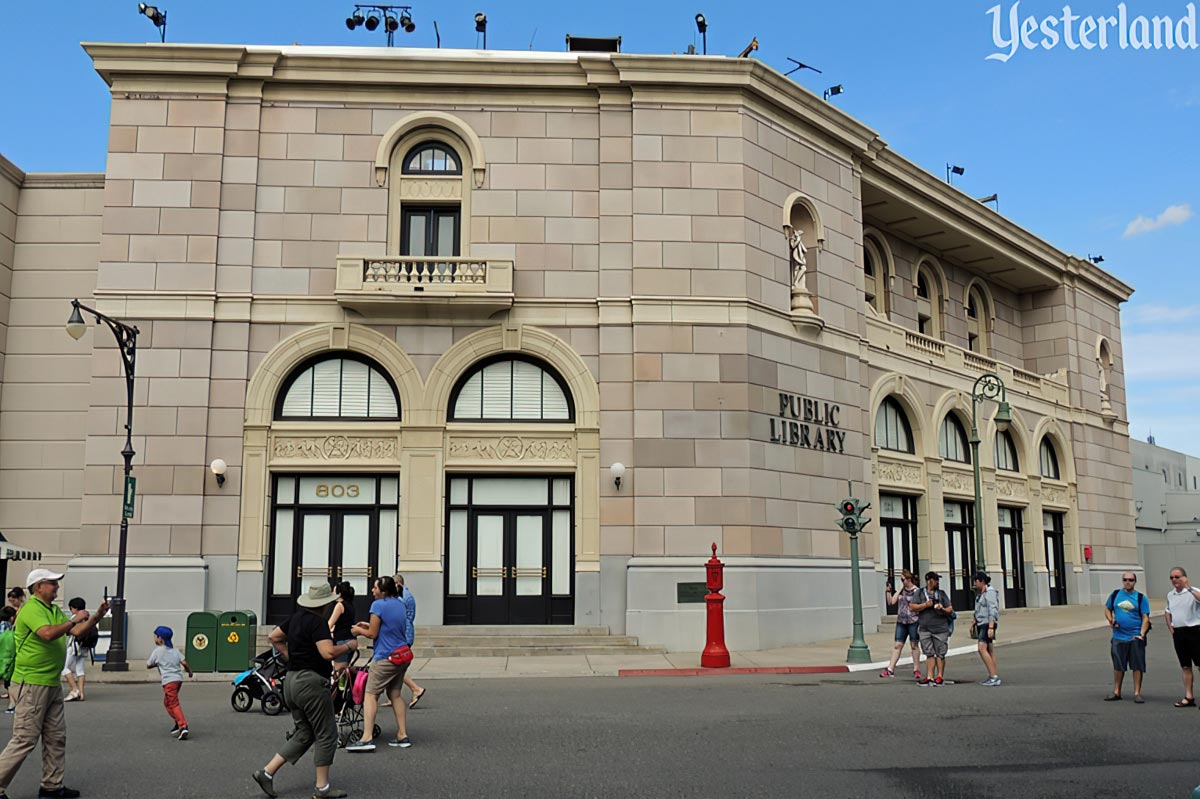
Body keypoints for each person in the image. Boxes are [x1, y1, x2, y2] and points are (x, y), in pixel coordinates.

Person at [0, 568, 109, 799]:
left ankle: (51, 786)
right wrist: (72, 620)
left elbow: (77, 631)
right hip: (31, 683)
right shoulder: (31, 609)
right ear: (38, 586)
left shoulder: (52, 609)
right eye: (52, 583)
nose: (57, 587)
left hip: (50, 682)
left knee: (55, 737)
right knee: (24, 739)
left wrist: (97, 615)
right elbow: (48, 634)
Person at [253, 582, 357, 799]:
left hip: (291, 680)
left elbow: (273, 637)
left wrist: (290, 655)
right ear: (325, 603)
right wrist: (348, 646)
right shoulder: (318, 623)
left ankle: (267, 772)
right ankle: (322, 789)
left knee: (304, 732)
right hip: (311, 682)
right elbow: (328, 652)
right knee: (327, 733)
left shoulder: (295, 618)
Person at [346, 576, 412, 752]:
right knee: (395, 694)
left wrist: (358, 630)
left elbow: (373, 634)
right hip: (402, 653)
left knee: (371, 694)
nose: (372, 591)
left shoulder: (377, 605)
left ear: (383, 591)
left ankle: (367, 737)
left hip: (385, 656)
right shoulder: (399, 603)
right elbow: (390, 626)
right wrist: (368, 624)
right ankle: (402, 735)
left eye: (375, 588)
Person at [1104, 571, 1150, 703]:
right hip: (1118, 636)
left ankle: (1137, 693)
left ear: (1135, 582)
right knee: (1118, 665)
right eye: (1125, 580)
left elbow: (1145, 617)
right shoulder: (1115, 595)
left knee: (1137, 665)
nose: (1127, 582)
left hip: (1135, 636)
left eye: (1130, 580)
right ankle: (1117, 691)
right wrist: (1110, 619)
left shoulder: (1141, 598)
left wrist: (1142, 633)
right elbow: (1107, 609)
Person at [147, 626, 193, 740]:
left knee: (173, 703)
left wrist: (156, 664)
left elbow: (148, 664)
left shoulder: (157, 651)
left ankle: (183, 725)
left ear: (160, 638)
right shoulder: (175, 650)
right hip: (178, 680)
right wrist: (190, 672)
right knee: (167, 702)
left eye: (155, 636)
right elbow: (184, 662)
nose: (154, 638)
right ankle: (178, 722)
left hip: (169, 681)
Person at [1165, 566, 1200, 708]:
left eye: (1177, 577)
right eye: (1172, 577)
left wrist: (1189, 588)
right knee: (1185, 666)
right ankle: (1188, 697)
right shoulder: (1170, 595)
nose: (1174, 580)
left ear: (1184, 577)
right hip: (1179, 633)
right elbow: (1168, 611)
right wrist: (1170, 626)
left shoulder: (1193, 591)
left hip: (1194, 631)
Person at [910, 571, 953, 686]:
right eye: (935, 580)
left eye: (937, 580)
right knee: (929, 653)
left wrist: (942, 609)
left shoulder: (941, 594)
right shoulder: (919, 593)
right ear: (929, 581)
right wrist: (925, 605)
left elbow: (950, 609)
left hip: (940, 628)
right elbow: (912, 607)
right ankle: (929, 676)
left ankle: (939, 676)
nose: (937, 582)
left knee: (940, 653)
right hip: (925, 628)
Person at [879, 570, 922, 679]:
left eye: (903, 579)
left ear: (909, 580)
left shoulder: (917, 591)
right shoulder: (901, 591)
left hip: (913, 621)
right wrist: (888, 592)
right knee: (898, 645)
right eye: (901, 580)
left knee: (914, 645)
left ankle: (916, 669)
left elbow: (921, 606)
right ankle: (890, 669)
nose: (902, 581)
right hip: (901, 621)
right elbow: (891, 602)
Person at [395, 574, 426, 708]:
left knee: (397, 666)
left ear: (398, 584)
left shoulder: (403, 597)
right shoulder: (406, 595)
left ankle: (415, 688)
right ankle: (393, 695)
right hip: (406, 632)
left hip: (404, 633)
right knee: (395, 665)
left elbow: (402, 613)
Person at [972, 572, 1001, 686]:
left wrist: (991, 626)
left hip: (987, 623)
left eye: (976, 581)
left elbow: (992, 609)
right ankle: (993, 674)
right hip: (981, 622)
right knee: (989, 649)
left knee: (981, 648)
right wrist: (974, 621)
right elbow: (979, 609)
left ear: (981, 581)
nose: (974, 584)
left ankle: (994, 676)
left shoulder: (990, 593)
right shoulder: (981, 594)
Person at [61, 599, 90, 703]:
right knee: (80, 669)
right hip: (85, 646)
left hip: (74, 646)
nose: (71, 610)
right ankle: (81, 693)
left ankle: (74, 690)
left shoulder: (75, 618)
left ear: (75, 608)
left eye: (71, 608)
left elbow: (69, 632)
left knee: (65, 668)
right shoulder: (87, 618)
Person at [327, 582, 356, 675]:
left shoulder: (340, 605)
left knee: (339, 672)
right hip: (351, 639)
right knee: (346, 670)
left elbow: (330, 624)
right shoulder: (350, 605)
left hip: (341, 640)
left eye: (334, 591)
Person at [0, 607, 14, 714]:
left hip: (4, 657)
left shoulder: (3, 625)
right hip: (6, 657)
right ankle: (12, 704)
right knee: (9, 682)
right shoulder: (7, 627)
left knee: (7, 682)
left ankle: (12, 703)